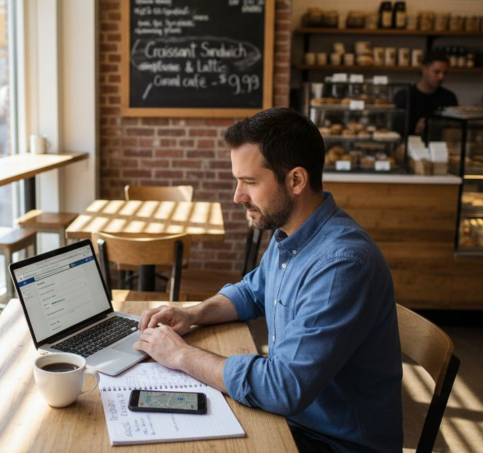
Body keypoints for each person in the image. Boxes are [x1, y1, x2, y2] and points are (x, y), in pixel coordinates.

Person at [133, 108, 403, 452]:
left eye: (249, 182)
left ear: (295, 181)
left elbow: (282, 387)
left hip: (333, 441)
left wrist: (182, 356)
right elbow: (252, 292)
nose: (237, 196)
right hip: (293, 420)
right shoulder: (293, 233)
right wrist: (193, 314)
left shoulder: (342, 265)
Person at [394, 52, 459, 136]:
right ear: (424, 69)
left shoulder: (449, 97)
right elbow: (396, 130)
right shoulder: (404, 95)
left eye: (444, 73)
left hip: (441, 147)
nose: (441, 77)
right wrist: (415, 130)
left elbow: (454, 128)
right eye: (437, 72)